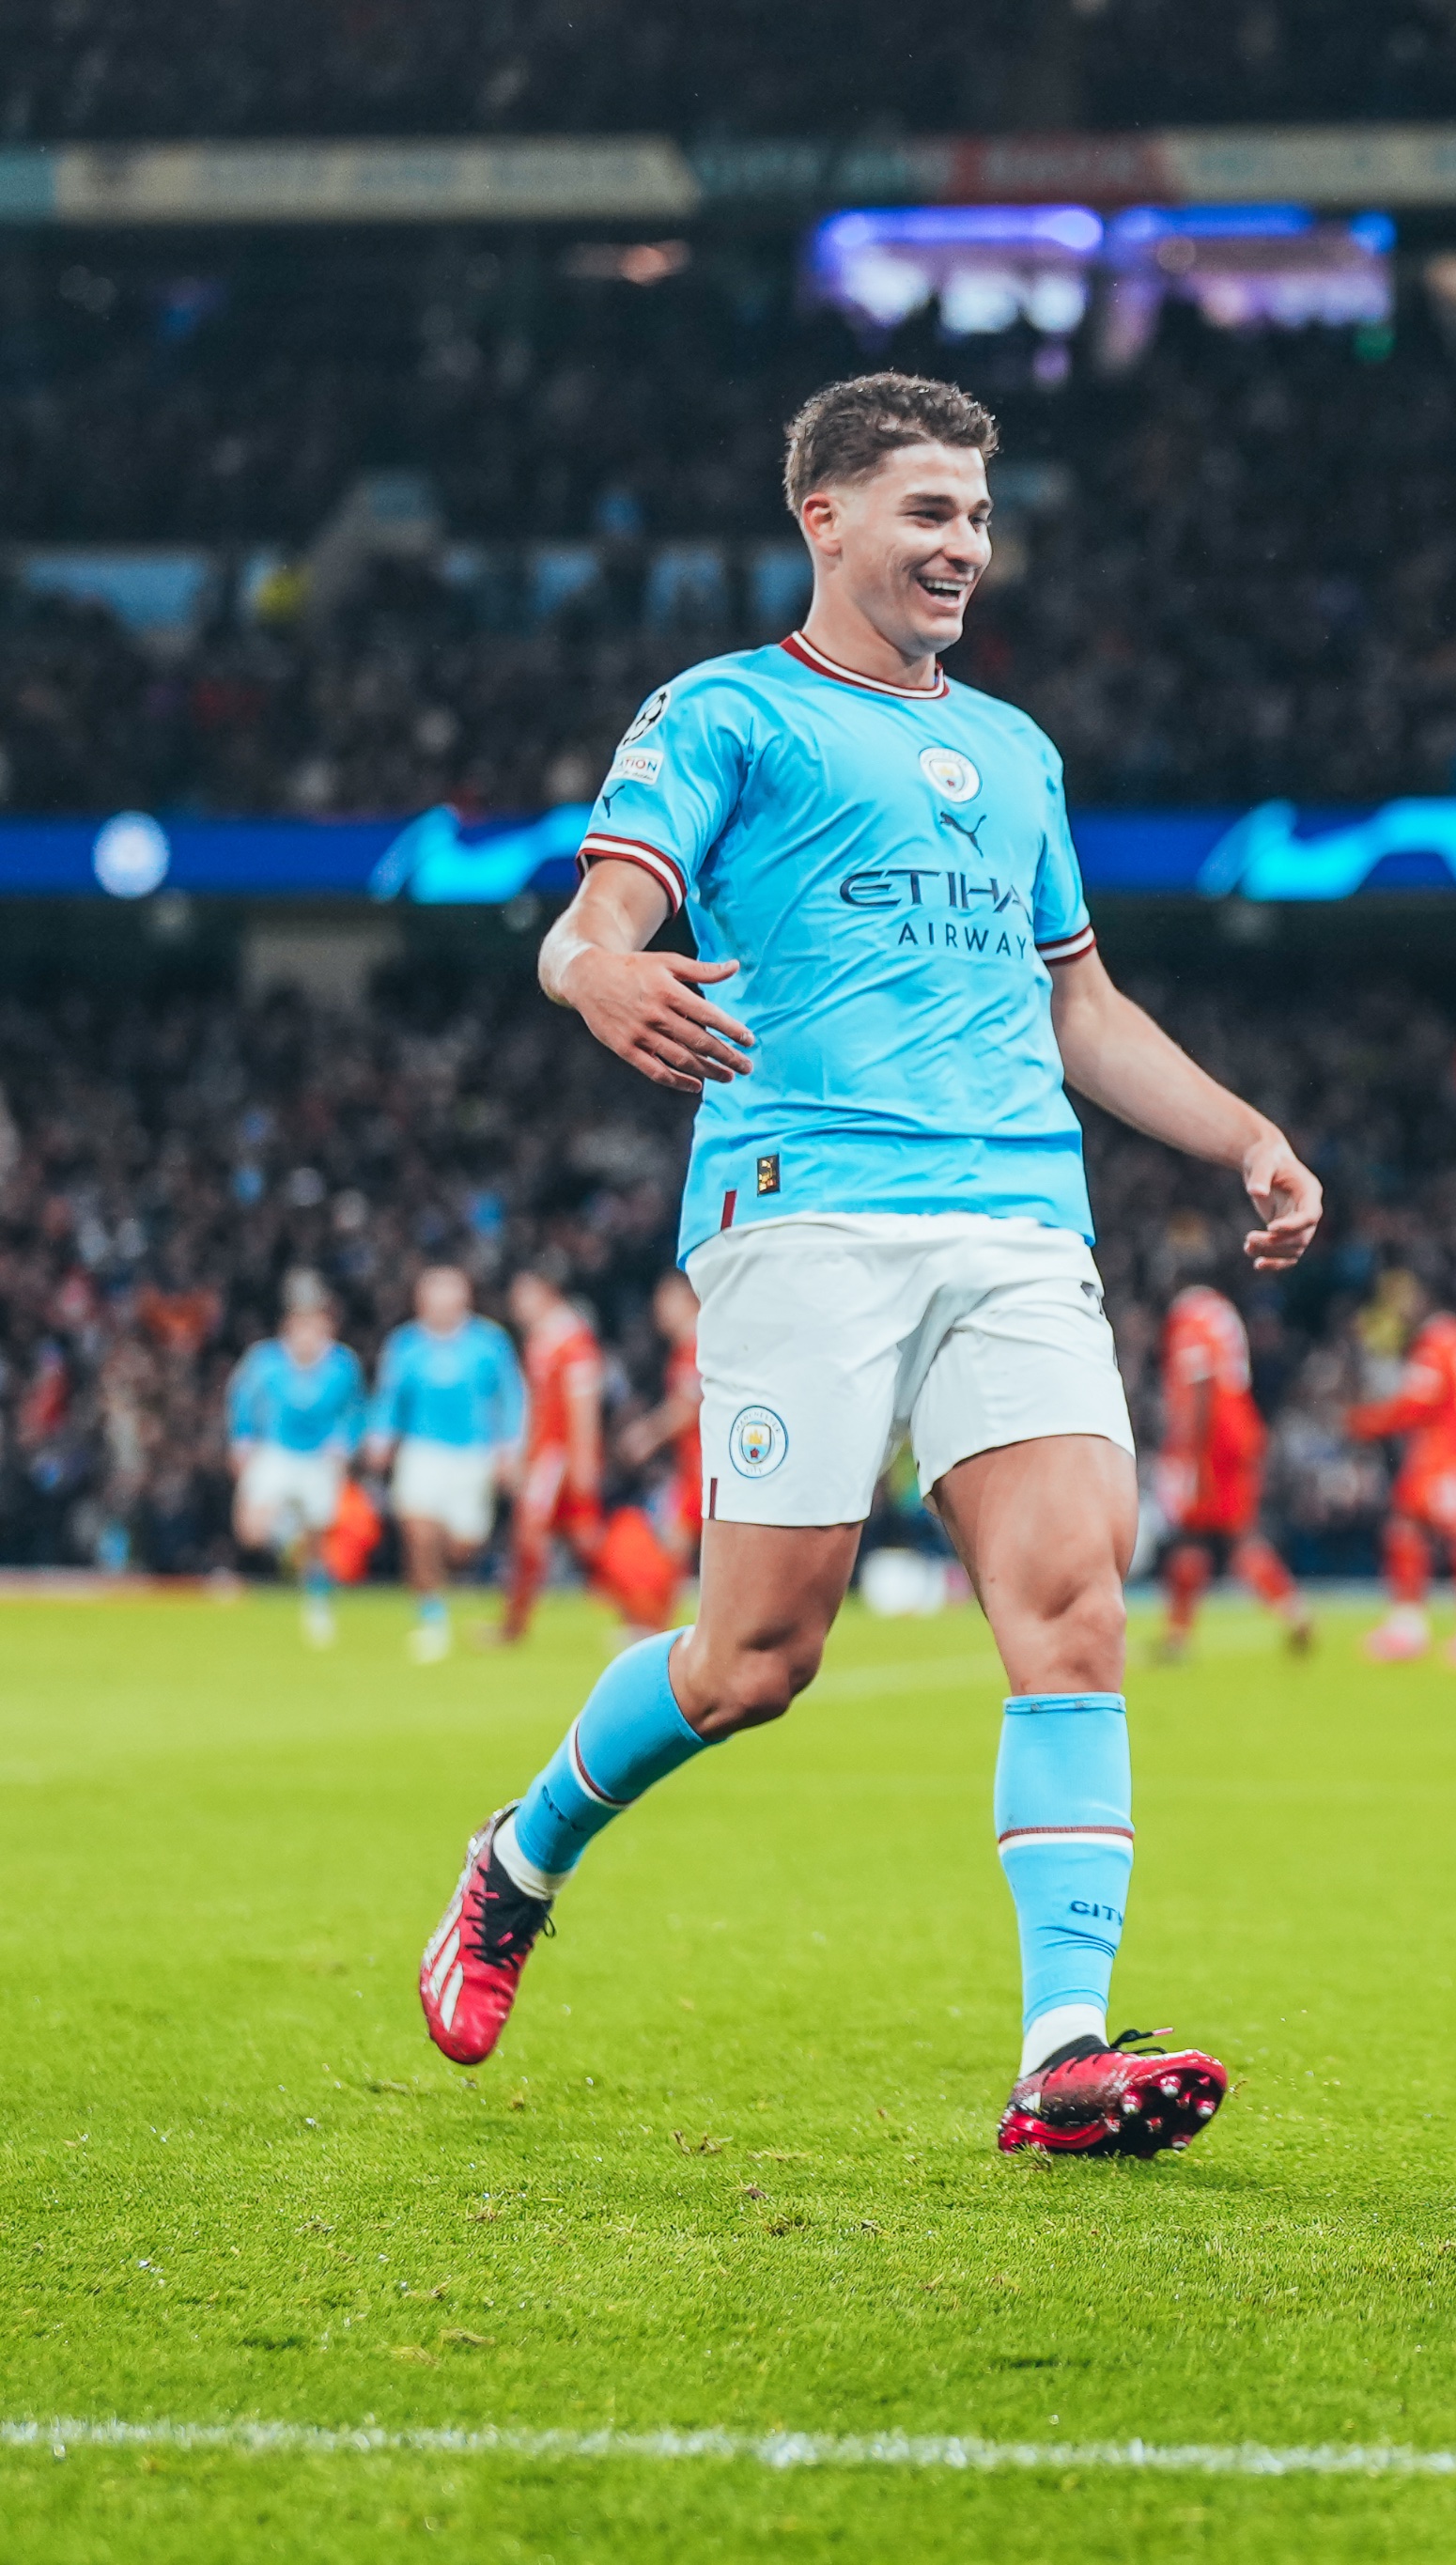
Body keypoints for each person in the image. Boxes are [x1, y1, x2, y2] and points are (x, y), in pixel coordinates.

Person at [411, 370, 1325, 2161]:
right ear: (822, 518)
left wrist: (1241, 1134)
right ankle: (516, 1859)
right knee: (757, 1658)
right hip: (807, 1203)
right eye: (928, 512)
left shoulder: (1019, 753)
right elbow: (604, 912)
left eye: (978, 518)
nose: (962, 547)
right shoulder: (726, 713)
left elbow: (1080, 1006)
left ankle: (1061, 2050)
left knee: (1072, 1608)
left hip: (1016, 1218)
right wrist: (589, 968)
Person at [364, 1264, 521, 1663]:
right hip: (422, 1451)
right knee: (419, 1532)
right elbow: (389, 1396)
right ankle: (431, 1618)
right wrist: (381, 1435)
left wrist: (510, 1447)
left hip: (473, 1455)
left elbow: (511, 1396)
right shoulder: (406, 1345)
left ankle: (445, 1582)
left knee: (462, 1548)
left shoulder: (489, 1343)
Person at [1346, 1274, 1456, 1667]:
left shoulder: (1439, 1340)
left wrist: (1369, 1421)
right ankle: (1409, 1626)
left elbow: (1419, 1402)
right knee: (1406, 1529)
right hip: (1445, 1452)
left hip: (1451, 1454)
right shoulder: (1453, 1336)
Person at [1154, 1279, 1309, 1661]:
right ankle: (1291, 1611)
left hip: (1214, 1439)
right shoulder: (1222, 1312)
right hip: (1241, 1430)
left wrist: (1191, 1450)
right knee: (1235, 1533)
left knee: (1193, 1535)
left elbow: (1201, 1382)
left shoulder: (1190, 1318)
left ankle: (1178, 1637)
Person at [502, 1265, 649, 1642]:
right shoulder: (544, 1339)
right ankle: (638, 1613)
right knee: (577, 1539)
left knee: (535, 1535)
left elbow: (583, 1404)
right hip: (546, 1456)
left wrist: (582, 1459)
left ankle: (640, 1610)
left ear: (548, 1292)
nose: (517, 1304)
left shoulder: (572, 1340)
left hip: (559, 1458)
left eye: (524, 1295)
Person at [227, 1271, 368, 1647]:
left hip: (319, 1458)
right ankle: (288, 1533)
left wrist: (345, 1445)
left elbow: (356, 1412)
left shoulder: (342, 1365)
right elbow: (242, 1401)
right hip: (276, 1451)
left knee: (320, 1538)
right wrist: (242, 1441)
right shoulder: (265, 1361)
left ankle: (318, 1604)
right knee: (251, 1530)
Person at [614, 1268, 708, 1567]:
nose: (661, 1311)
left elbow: (687, 1407)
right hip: (693, 1464)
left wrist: (648, 1434)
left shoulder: (697, 1346)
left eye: (667, 1301)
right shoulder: (686, 1347)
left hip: (703, 1464)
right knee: (680, 1540)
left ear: (688, 1299)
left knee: (675, 1541)